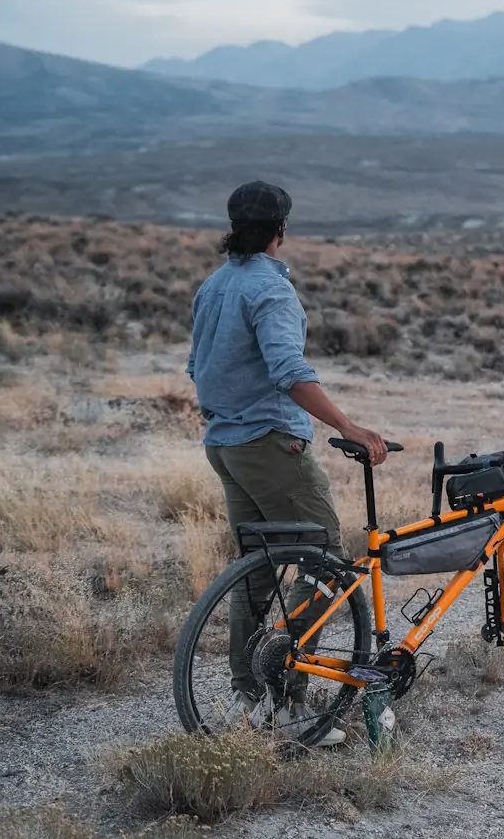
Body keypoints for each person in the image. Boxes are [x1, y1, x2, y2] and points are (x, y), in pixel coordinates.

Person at [186, 180, 388, 746]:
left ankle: (247, 699)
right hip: (272, 446)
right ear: (281, 231)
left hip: (225, 446)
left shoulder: (214, 286)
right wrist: (348, 427)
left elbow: (195, 367)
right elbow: (290, 372)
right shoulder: (269, 292)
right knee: (327, 566)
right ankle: (290, 699)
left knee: (256, 573)